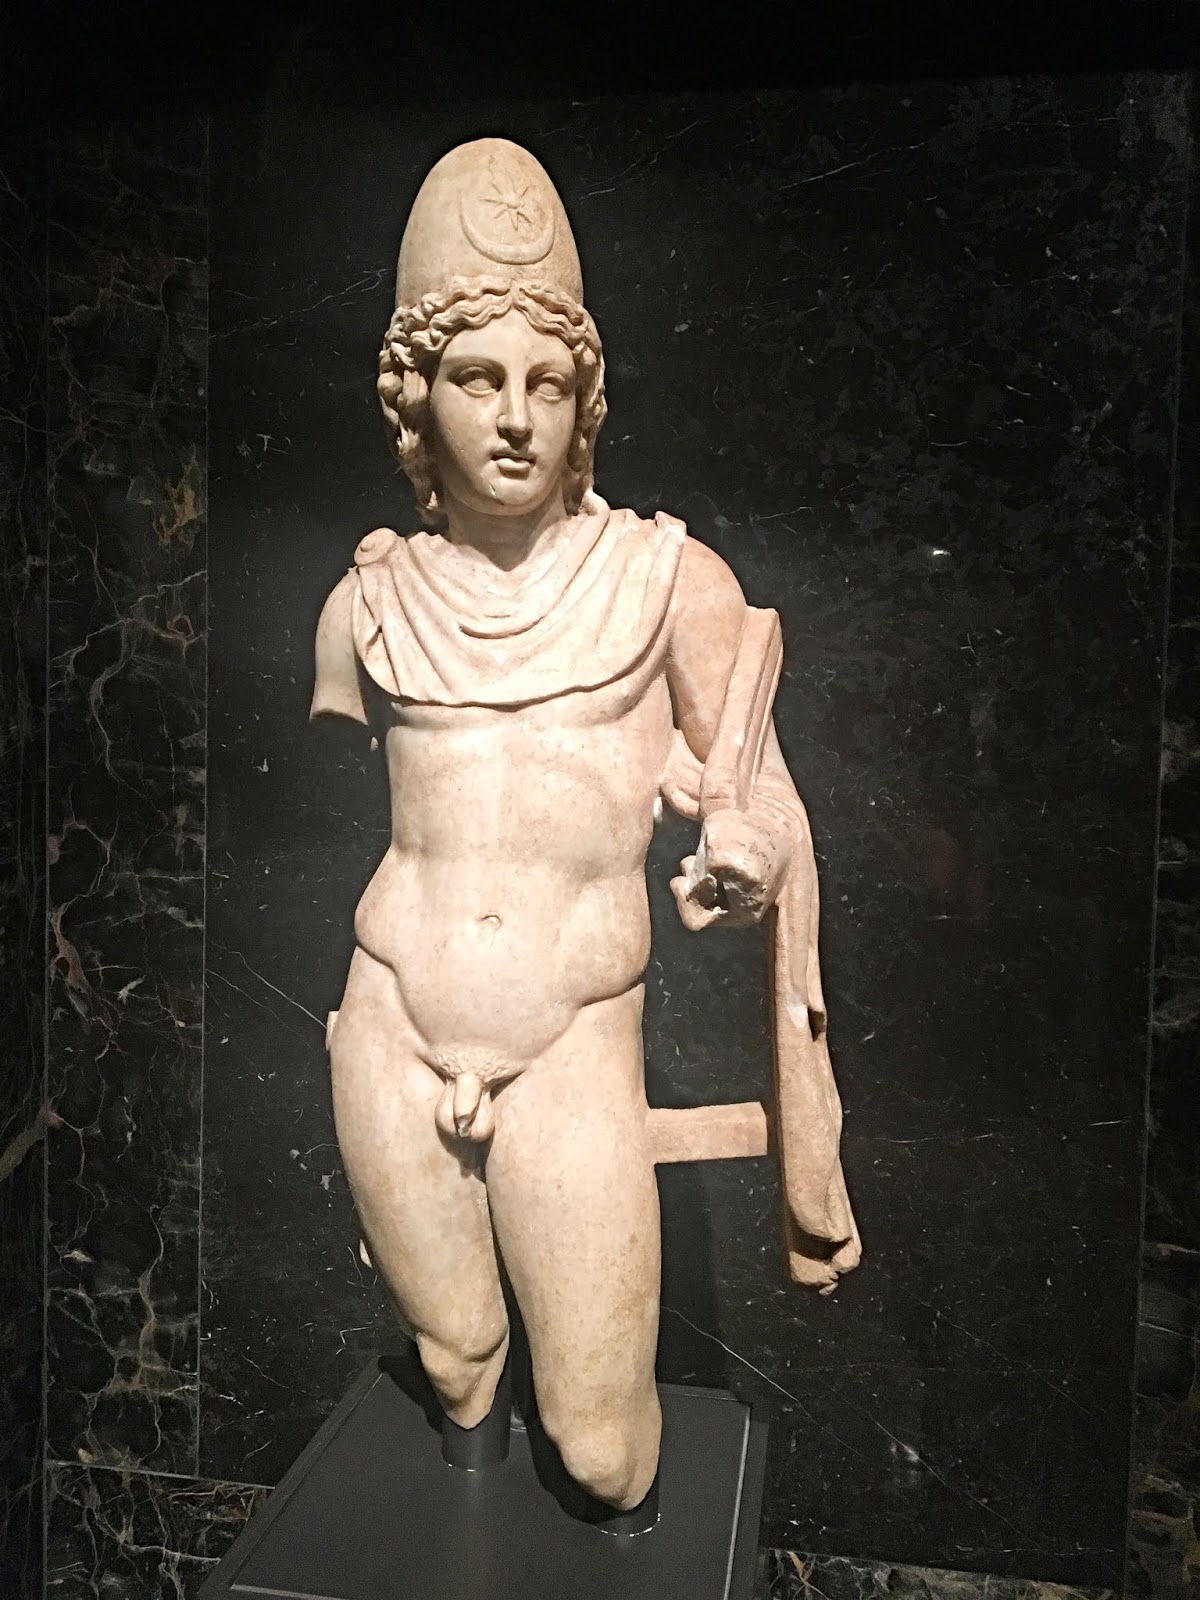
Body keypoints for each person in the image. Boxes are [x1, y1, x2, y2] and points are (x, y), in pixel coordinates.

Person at [311, 139, 858, 1518]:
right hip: (389, 1019)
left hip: (570, 1046)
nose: (514, 418)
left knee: (606, 1451)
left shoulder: (668, 583)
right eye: (475, 379)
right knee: (454, 1361)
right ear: (415, 400)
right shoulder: (366, 607)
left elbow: (762, 794)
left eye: (546, 384)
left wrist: (747, 853)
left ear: (584, 404)